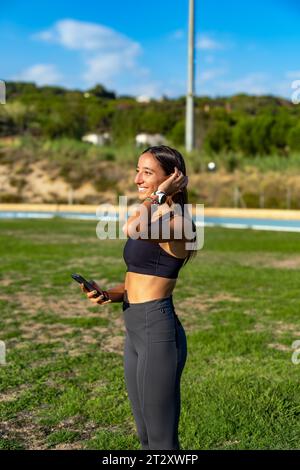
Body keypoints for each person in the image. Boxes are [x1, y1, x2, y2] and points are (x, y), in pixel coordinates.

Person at [80, 145, 197, 450]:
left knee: (162, 441)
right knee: (145, 436)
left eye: (147, 172)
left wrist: (156, 195)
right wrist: (110, 293)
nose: (137, 179)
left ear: (172, 178)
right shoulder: (154, 212)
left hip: (156, 328)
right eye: (137, 170)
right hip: (134, 329)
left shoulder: (181, 223)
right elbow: (137, 279)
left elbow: (132, 228)